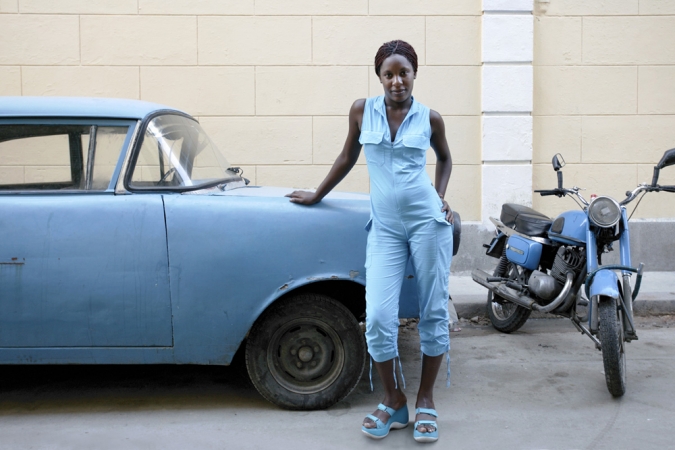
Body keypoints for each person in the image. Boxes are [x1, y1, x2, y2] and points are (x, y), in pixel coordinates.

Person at [286, 40, 454, 443]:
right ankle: (394, 400)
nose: (397, 81)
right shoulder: (362, 111)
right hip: (386, 229)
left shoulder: (430, 119)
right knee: (378, 318)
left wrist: (441, 197)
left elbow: (446, 159)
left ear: (415, 74)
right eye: (389, 74)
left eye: (404, 73)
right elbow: (346, 157)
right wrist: (317, 193)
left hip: (427, 224)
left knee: (432, 311)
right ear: (379, 77)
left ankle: (426, 400)